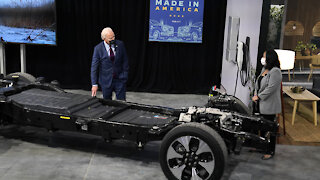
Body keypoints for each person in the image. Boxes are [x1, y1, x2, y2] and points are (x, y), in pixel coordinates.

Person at [252, 49, 282, 160]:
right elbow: (258, 84)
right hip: (260, 104)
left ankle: (270, 150)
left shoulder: (276, 71)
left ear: (270, 58)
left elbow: (271, 88)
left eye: (264, 56)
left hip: (269, 105)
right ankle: (261, 146)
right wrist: (255, 94)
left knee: (270, 128)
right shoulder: (264, 69)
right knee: (261, 126)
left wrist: (259, 96)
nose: (262, 58)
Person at [91, 27, 129, 100]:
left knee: (122, 103)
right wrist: (94, 84)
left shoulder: (120, 44)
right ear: (104, 38)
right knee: (107, 104)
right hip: (106, 81)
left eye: (113, 37)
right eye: (110, 38)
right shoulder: (98, 49)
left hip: (120, 79)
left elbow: (125, 61)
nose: (113, 39)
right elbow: (94, 67)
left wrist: (125, 74)